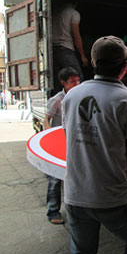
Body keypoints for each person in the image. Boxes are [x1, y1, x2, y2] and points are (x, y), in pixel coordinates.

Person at [62, 36, 127, 254]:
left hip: (75, 193)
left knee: (82, 253)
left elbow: (70, 137)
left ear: (93, 63)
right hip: (113, 196)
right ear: (124, 66)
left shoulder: (71, 96)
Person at [44, 67, 81, 225]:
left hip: (75, 140)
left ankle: (79, 208)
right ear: (63, 83)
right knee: (55, 177)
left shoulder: (80, 96)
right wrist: (49, 137)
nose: (77, 84)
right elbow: (47, 119)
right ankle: (53, 211)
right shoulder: (57, 100)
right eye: (72, 82)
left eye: (78, 81)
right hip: (59, 142)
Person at [52, 1, 88, 86]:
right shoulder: (73, 13)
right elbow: (76, 35)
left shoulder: (55, 13)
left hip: (53, 50)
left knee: (58, 81)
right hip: (65, 49)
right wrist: (83, 56)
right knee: (77, 78)